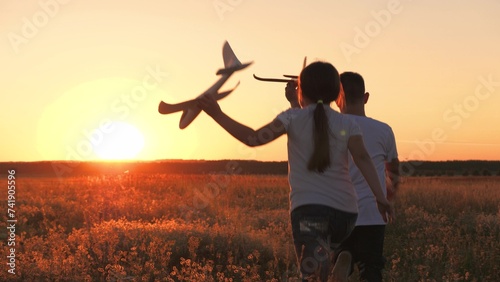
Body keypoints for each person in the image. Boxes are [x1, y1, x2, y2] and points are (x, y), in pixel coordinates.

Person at [197, 61, 394, 282]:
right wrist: (380, 197)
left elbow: (252, 138)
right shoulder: (347, 123)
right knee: (329, 248)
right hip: (346, 216)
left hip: (309, 211)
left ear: (301, 91)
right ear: (337, 93)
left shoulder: (291, 118)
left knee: (312, 274)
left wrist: (217, 114)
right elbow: (363, 158)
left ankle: (333, 262)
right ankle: (342, 258)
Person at [335, 71, 400, 282]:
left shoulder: (330, 127)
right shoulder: (384, 130)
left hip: (339, 211)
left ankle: (344, 255)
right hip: (373, 211)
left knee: (342, 248)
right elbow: (394, 172)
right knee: (371, 267)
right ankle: (352, 258)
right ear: (366, 97)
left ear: (337, 99)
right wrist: (387, 197)